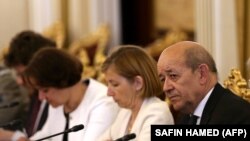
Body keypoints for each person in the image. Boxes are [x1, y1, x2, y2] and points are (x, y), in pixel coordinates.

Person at [21, 47, 118, 141]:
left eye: (45, 90)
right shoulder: (58, 101)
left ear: (63, 81)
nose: (41, 97)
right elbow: (48, 134)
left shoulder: (104, 104)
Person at [157, 41, 250, 124]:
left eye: (173, 76)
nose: (166, 88)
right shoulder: (185, 117)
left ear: (202, 74)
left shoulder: (236, 115)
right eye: (162, 79)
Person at [99, 45, 174, 141]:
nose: (109, 93)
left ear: (138, 83)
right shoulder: (125, 112)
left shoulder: (158, 114)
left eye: (115, 84)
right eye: (108, 84)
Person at [3, 30, 56, 136]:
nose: (19, 82)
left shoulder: (56, 101)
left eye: (23, 75)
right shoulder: (34, 96)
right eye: (18, 75)